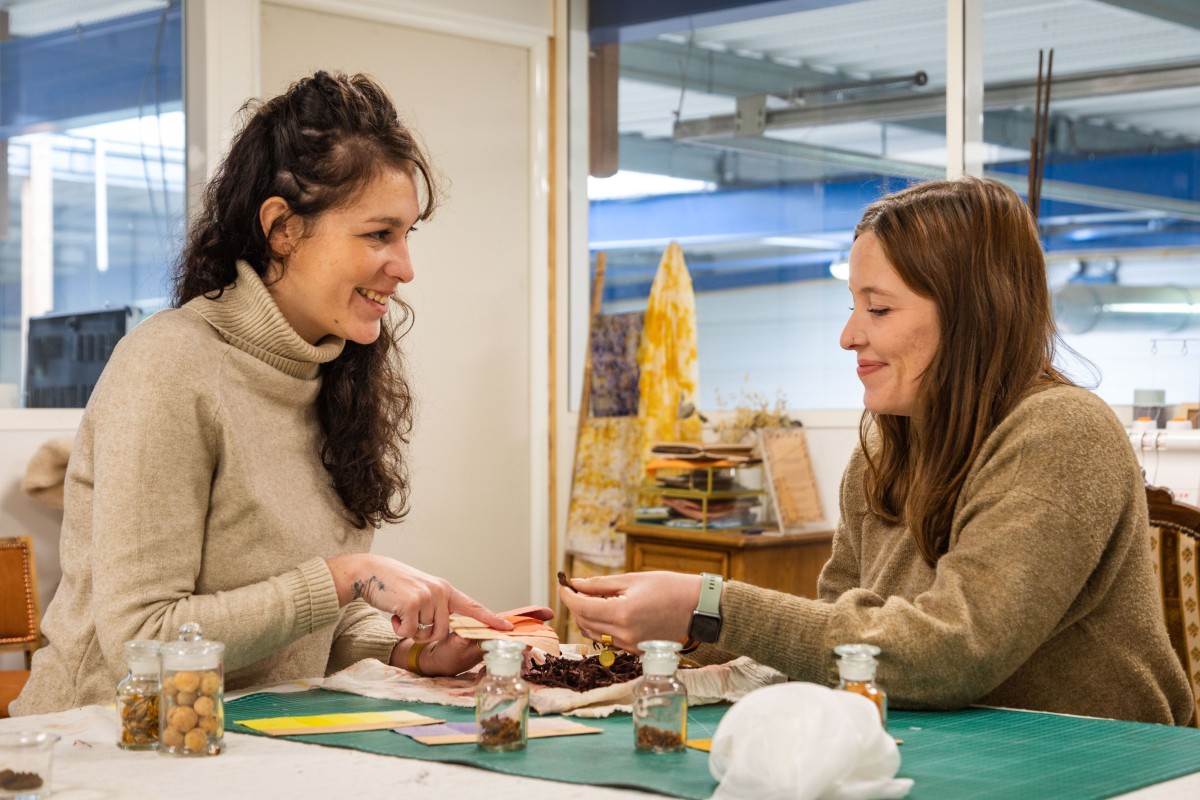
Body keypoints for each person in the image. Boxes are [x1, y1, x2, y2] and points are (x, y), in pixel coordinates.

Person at [560, 177, 1194, 726]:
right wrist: (683, 634)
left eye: (879, 307)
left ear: (974, 314)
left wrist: (712, 605)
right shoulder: (883, 451)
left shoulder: (1063, 433)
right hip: (941, 745)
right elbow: (840, 634)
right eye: (852, 304)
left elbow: (954, 649)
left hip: (1096, 761)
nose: (848, 334)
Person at [14, 71, 539, 715]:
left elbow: (307, 630)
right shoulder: (169, 365)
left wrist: (411, 652)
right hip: (113, 744)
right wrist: (343, 579)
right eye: (379, 235)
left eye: (407, 235)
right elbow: (142, 639)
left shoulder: (338, 375)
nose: (405, 267)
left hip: (250, 742)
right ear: (282, 228)